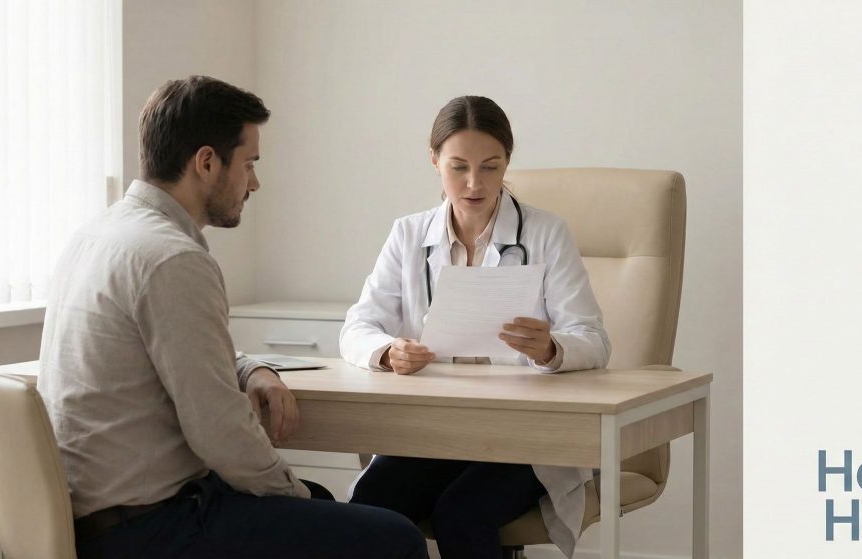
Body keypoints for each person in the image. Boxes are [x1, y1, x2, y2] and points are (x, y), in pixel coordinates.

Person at [37, 75, 426, 559]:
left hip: (95, 518)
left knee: (327, 507)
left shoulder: (100, 236)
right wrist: (295, 497)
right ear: (206, 162)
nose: (255, 182)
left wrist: (249, 367)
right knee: (396, 539)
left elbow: (178, 349)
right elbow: (221, 433)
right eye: (250, 163)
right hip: (151, 529)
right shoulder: (173, 260)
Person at [341, 96, 611, 559]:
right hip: (435, 429)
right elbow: (357, 327)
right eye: (458, 166)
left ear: (508, 162)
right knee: (371, 510)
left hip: (523, 435)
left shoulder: (546, 234)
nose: (473, 183)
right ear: (434, 161)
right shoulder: (408, 234)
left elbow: (594, 341)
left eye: (490, 166)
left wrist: (550, 348)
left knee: (461, 512)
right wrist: (387, 351)